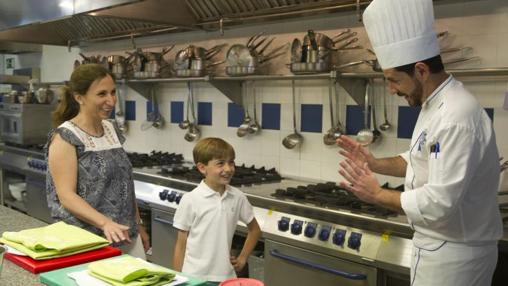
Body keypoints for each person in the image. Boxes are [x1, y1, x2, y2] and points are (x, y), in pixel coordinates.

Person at [337, 0, 503, 285]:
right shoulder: (433, 105)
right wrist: (374, 163)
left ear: (421, 71)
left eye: (394, 80)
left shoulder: (456, 116)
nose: (391, 90)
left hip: (457, 257)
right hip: (437, 247)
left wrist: (377, 195)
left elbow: (440, 203)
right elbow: (418, 161)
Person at [45, 64, 149, 259]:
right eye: (101, 94)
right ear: (79, 97)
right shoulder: (65, 137)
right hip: (85, 241)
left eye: (112, 92)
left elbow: (125, 184)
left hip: (124, 235)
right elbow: (66, 196)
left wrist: (138, 224)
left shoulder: (111, 128)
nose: (110, 101)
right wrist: (104, 223)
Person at [172, 137, 261, 283]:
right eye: (220, 163)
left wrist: (243, 258)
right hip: (194, 277)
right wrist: (177, 279)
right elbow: (180, 245)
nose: (228, 169)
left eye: (231, 162)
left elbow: (255, 230)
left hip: (226, 277)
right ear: (202, 168)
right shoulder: (191, 199)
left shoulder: (237, 197)